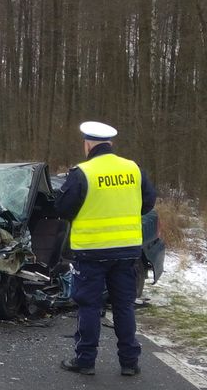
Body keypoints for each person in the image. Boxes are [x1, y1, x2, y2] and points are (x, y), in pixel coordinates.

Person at [54, 121, 156, 377]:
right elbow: (148, 203)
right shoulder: (133, 169)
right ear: (110, 144)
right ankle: (129, 362)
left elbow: (63, 209)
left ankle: (85, 360)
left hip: (91, 251)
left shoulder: (83, 172)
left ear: (88, 144)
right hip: (127, 251)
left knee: (89, 305)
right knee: (124, 305)